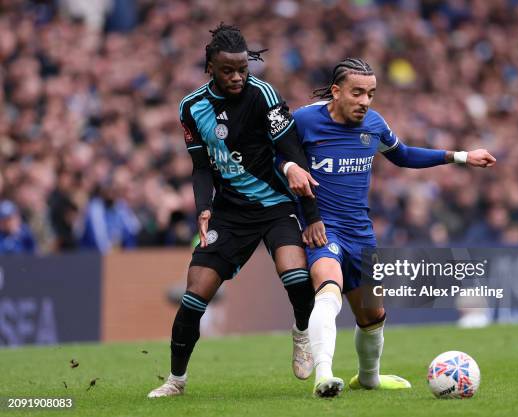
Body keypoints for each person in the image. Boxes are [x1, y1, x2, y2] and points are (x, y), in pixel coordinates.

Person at [282, 58, 496, 397]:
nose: (365, 101)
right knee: (328, 288)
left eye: (371, 93)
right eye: (357, 93)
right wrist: (291, 171)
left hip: (360, 233)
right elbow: (277, 154)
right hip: (323, 228)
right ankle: (324, 375)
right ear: (336, 92)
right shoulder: (305, 121)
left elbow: (404, 155)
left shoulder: (374, 124)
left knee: (373, 315)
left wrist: (461, 156)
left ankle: (368, 378)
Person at [148, 24, 325, 398]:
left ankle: (301, 332)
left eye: (243, 68)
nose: (237, 76)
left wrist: (312, 217)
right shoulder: (191, 108)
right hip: (229, 213)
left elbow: (293, 152)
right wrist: (203, 208)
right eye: (228, 70)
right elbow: (200, 167)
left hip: (276, 205)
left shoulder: (263, 95)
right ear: (210, 66)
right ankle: (176, 380)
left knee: (295, 275)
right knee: (194, 295)